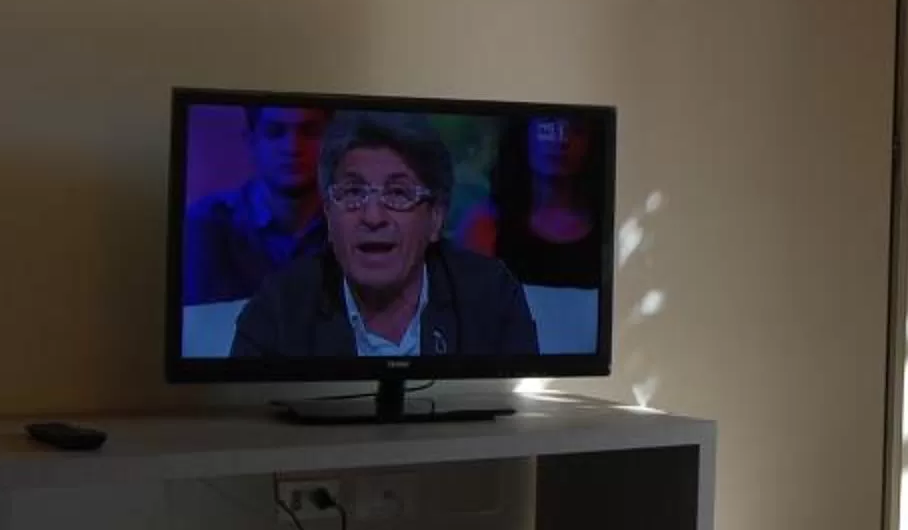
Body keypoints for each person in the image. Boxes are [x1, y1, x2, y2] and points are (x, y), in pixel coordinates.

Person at [231, 111, 539, 360]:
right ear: (328, 214)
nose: (373, 217)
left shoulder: (490, 298)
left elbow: (516, 420)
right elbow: (245, 427)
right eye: (353, 192)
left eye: (398, 193)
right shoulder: (280, 309)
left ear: (435, 219)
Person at [182, 104, 328, 304]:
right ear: (252, 142)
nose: (292, 147)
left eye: (309, 132)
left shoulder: (354, 225)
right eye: (274, 132)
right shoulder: (205, 223)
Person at [493, 113, 604, 292]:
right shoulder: (485, 225)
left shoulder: (610, 226)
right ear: (524, 132)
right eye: (548, 126)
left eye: (576, 130)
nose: (561, 140)